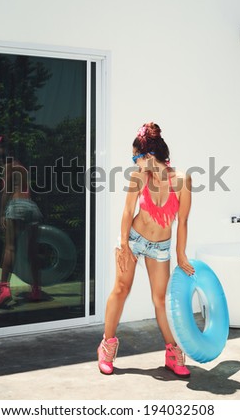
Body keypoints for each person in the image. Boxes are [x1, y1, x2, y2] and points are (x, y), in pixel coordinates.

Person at [97, 122, 195, 377]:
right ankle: (107, 345)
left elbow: (182, 221)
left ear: (148, 157)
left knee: (160, 301)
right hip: (135, 238)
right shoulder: (139, 177)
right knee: (121, 289)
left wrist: (181, 254)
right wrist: (123, 244)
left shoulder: (183, 180)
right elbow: (128, 211)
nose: (133, 163)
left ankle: (172, 354)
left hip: (160, 247)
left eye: (135, 157)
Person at [0, 136, 43, 308]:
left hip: (15, 205)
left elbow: (6, 192)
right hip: (31, 207)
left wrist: (1, 213)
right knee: (32, 252)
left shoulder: (8, 166)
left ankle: (4, 289)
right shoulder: (22, 166)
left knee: (9, 248)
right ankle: (36, 289)